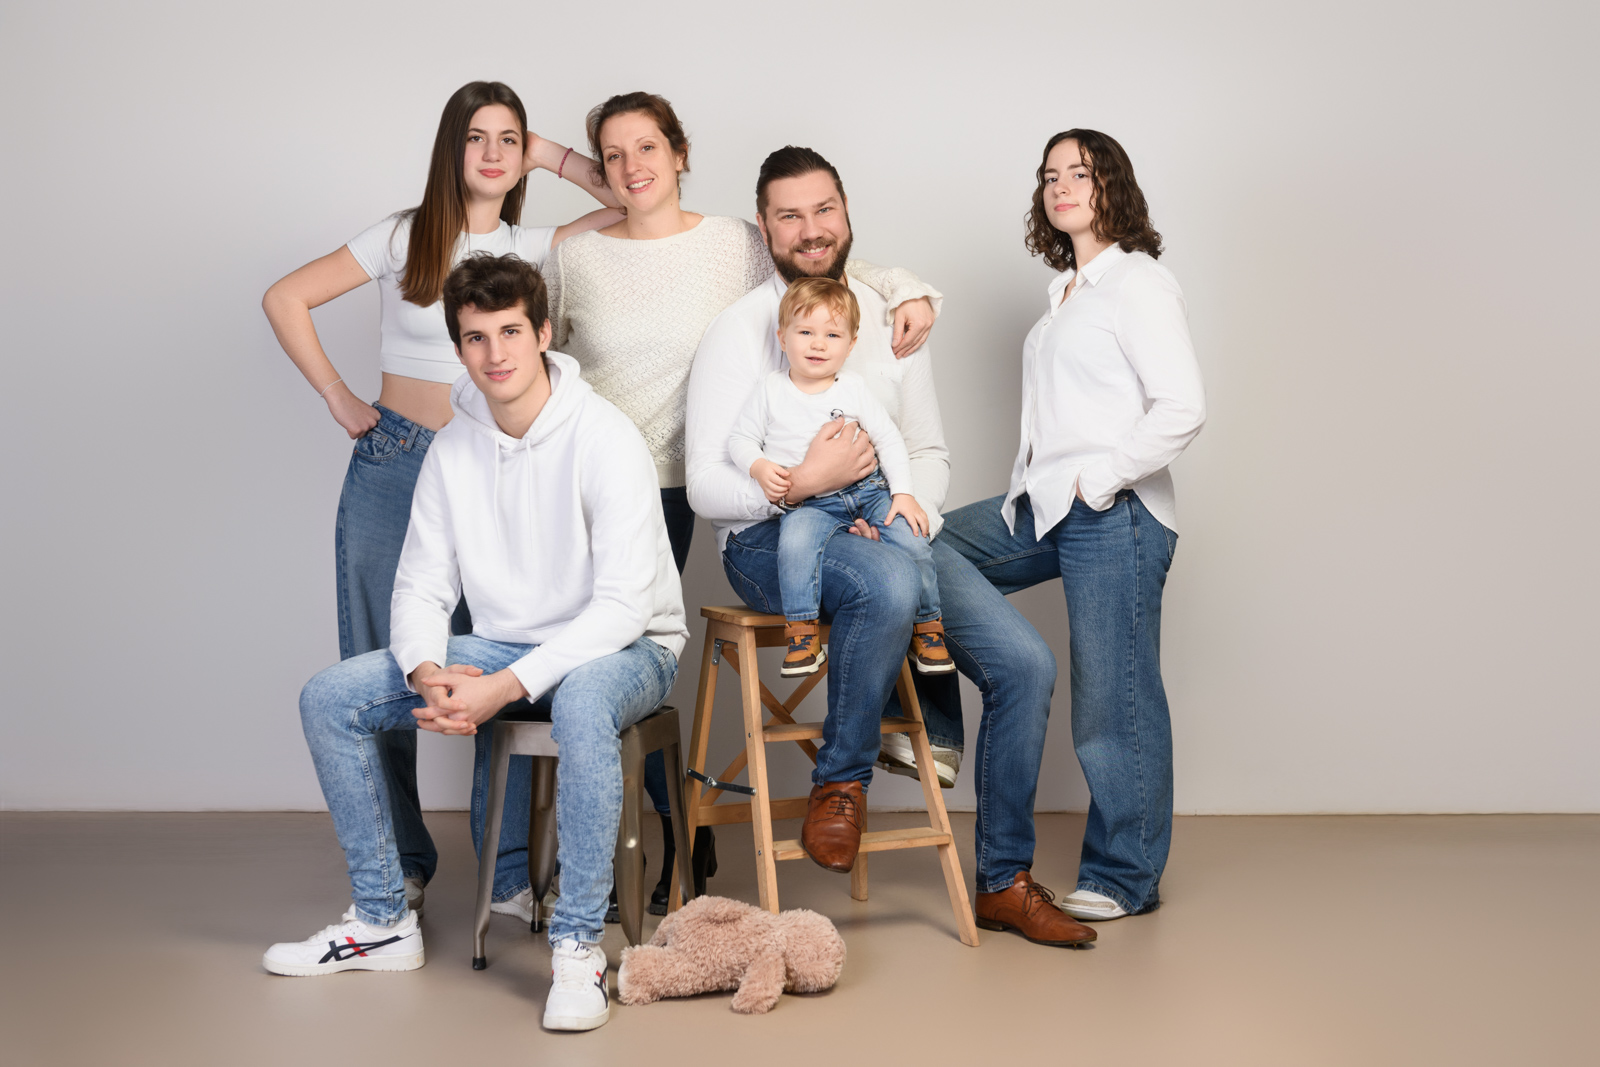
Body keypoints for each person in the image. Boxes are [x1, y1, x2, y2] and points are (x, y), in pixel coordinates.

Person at [263, 254, 687, 1035]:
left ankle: (577, 947)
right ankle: (385, 919)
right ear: (458, 349)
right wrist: (428, 670)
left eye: (510, 332)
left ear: (544, 333)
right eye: (475, 337)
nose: (496, 353)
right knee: (331, 696)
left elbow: (624, 603)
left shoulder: (604, 438)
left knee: (587, 695)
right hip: (502, 642)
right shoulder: (454, 446)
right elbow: (421, 583)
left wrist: (502, 687)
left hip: (629, 644)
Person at [686, 146, 1096, 946]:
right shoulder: (740, 333)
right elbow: (706, 483)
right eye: (789, 215)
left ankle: (1003, 881)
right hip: (774, 542)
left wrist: (911, 508)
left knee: (1025, 664)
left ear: (846, 210)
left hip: (884, 527)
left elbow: (929, 450)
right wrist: (802, 483)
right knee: (883, 582)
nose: (811, 230)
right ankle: (841, 781)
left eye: (824, 209)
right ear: (763, 228)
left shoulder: (890, 319)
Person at [544, 92, 942, 909]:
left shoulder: (736, 243)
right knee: (591, 658)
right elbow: (541, 356)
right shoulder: (571, 252)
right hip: (601, 476)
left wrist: (908, 286)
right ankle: (610, 848)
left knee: (644, 652)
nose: (632, 168)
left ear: (681, 153)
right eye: (612, 156)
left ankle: (680, 841)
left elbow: (828, 266)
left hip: (682, 481)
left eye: (648, 148)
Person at [261, 81, 619, 922]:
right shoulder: (402, 235)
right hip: (394, 464)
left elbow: (626, 203)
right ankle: (403, 865)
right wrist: (339, 398)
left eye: (508, 139)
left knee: (502, 651)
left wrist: (551, 154)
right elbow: (286, 297)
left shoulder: (531, 243)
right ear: (449, 148)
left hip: (491, 465)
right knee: (383, 663)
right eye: (476, 137)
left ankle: (507, 873)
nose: (493, 153)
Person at [939, 129, 1206, 922]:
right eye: (1049, 175)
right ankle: (933, 716)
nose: (1061, 186)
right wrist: (1046, 484)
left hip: (1111, 510)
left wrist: (1100, 478)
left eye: (1078, 173)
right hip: (1044, 503)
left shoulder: (1138, 283)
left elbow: (1183, 407)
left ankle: (1126, 874)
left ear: (1109, 184)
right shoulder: (1066, 293)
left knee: (1112, 697)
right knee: (921, 547)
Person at [728, 277, 951, 677]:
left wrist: (903, 495)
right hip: (811, 504)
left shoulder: (854, 388)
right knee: (794, 545)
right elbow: (741, 440)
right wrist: (760, 467)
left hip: (868, 493)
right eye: (806, 332)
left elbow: (890, 441)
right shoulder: (770, 390)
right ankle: (802, 634)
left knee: (911, 538)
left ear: (850, 345)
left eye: (832, 335)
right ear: (782, 338)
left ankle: (928, 628)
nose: (818, 344)